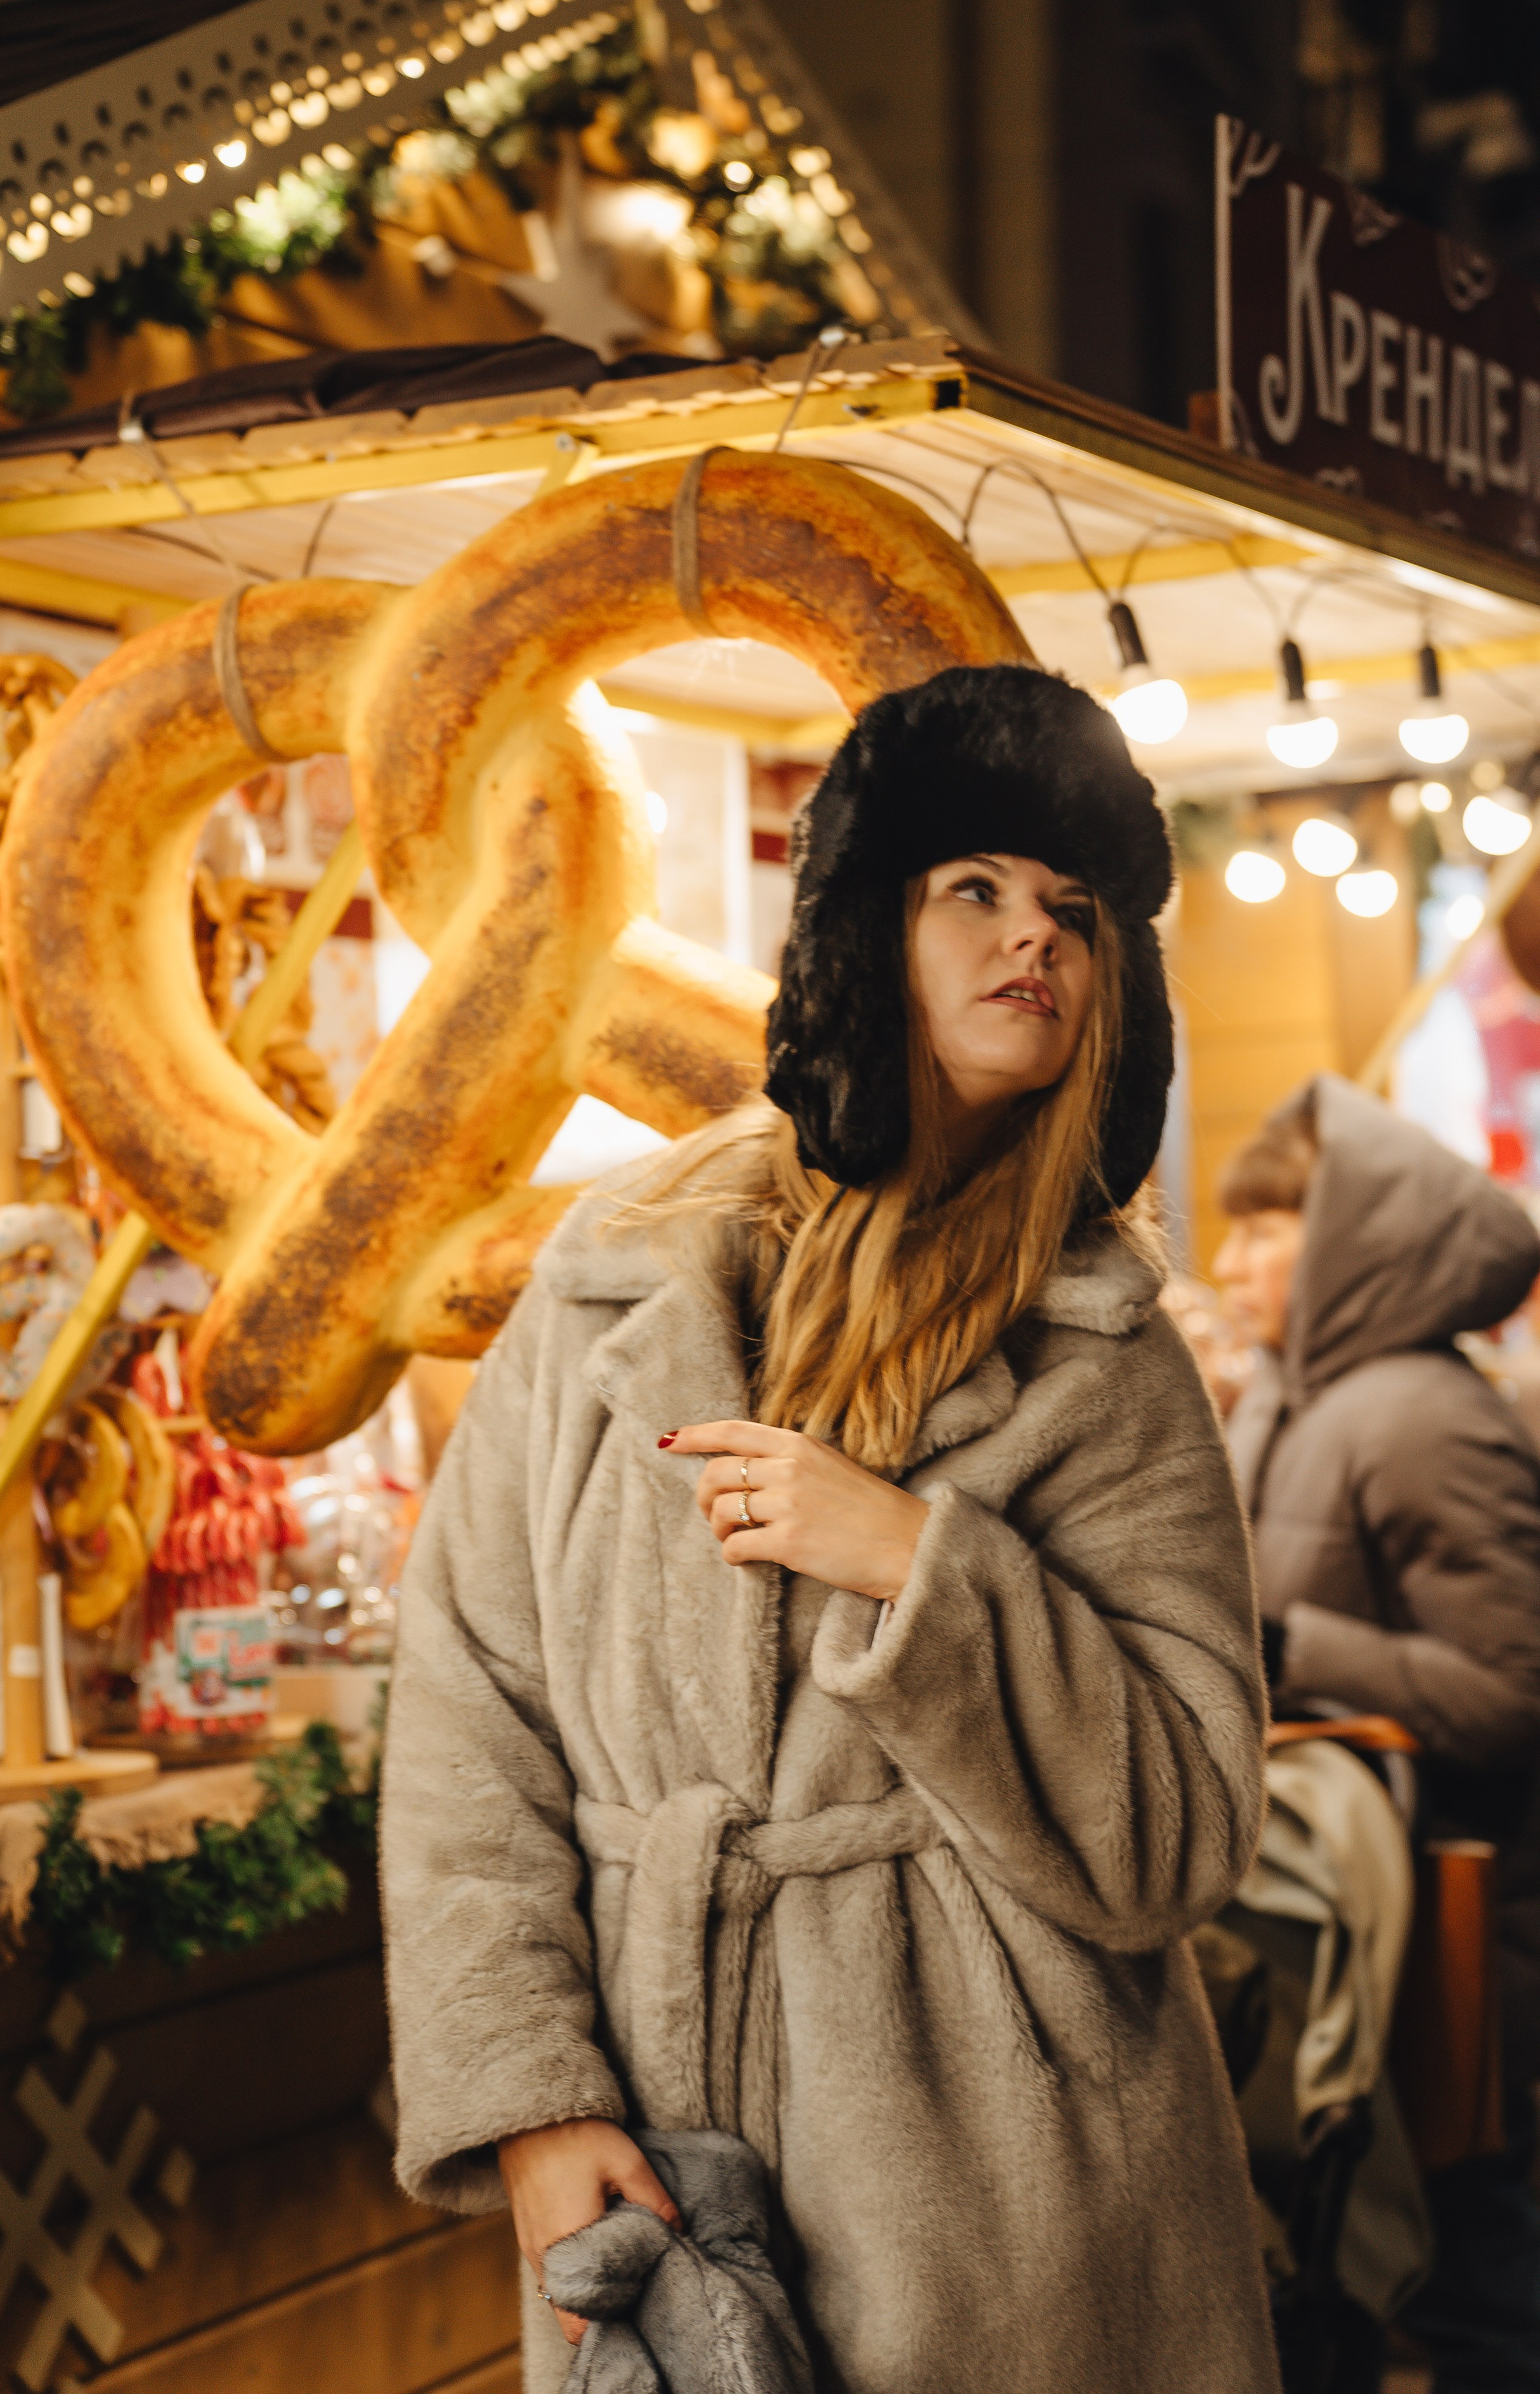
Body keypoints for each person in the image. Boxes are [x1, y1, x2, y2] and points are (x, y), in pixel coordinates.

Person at [381, 664, 1278, 2394]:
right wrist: (534, 2104)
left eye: (1075, 914)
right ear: (875, 927)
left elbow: (1187, 1829)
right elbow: (468, 1718)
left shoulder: (1111, 1359)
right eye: (978, 893)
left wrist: (920, 1571)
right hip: (658, 2143)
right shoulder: (613, 1280)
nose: (1036, 942)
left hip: (1015, 2214)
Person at [1214, 1075, 1540, 2392]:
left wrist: (1289, 1646)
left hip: (1456, 1941)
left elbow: (1510, 1694)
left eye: (1261, 1229)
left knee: (1478, 2293)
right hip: (1351, 1923)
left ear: (1347, 1234)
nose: (1229, 1261)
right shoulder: (1286, 1397)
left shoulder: (1419, 1414)